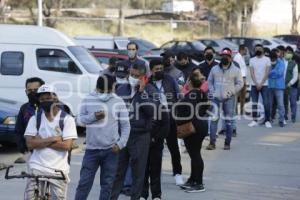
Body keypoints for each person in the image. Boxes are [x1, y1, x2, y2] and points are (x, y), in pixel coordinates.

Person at [75, 74, 130, 200]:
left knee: (107, 185)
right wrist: (94, 117)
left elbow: (126, 125)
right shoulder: (88, 99)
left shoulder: (118, 101)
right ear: (97, 88)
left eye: (108, 91)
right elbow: (78, 120)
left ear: (113, 89)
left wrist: (121, 144)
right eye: (102, 91)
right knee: (84, 183)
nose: (105, 93)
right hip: (91, 150)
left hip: (111, 151)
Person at [111, 63, 158, 200]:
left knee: (138, 173)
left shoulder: (151, 91)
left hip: (140, 136)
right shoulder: (121, 89)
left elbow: (152, 111)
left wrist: (142, 93)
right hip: (122, 135)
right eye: (131, 75)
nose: (133, 78)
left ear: (144, 77)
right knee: (118, 172)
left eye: (137, 76)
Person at [24, 84, 77, 199]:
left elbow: (67, 146)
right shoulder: (35, 119)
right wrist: (53, 138)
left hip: (59, 170)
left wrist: (39, 141)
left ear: (55, 98)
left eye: (48, 98)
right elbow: (29, 144)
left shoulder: (67, 119)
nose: (45, 101)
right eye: (42, 99)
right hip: (36, 167)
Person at [141, 58, 170, 200]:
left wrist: (156, 138)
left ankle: (156, 195)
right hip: (144, 139)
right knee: (143, 169)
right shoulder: (145, 88)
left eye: (161, 68)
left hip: (156, 140)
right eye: (156, 69)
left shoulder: (162, 108)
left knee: (156, 169)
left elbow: (166, 125)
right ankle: (143, 194)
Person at [175, 70, 210, 192]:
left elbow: (187, 113)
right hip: (201, 125)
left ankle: (199, 183)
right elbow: (206, 106)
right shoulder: (201, 93)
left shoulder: (190, 95)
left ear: (189, 82)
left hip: (193, 127)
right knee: (194, 154)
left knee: (195, 155)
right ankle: (192, 179)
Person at [206, 48, 243, 150]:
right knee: (214, 120)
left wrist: (231, 92)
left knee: (228, 121)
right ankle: (212, 143)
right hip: (216, 98)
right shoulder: (214, 69)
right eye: (223, 56)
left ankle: (227, 143)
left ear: (230, 58)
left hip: (229, 98)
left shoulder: (236, 70)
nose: (224, 58)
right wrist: (212, 91)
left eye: (227, 56)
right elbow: (209, 81)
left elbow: (240, 83)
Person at [14, 77, 45, 164]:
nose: (32, 93)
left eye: (35, 90)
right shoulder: (24, 108)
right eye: (29, 90)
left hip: (50, 152)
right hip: (31, 153)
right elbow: (18, 130)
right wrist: (23, 149)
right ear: (26, 92)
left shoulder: (50, 106)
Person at [248, 44, 272, 128]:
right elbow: (251, 72)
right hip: (254, 85)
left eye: (259, 49)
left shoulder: (267, 59)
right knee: (254, 103)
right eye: (256, 49)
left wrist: (261, 83)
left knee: (266, 103)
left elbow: (267, 72)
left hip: (264, 84)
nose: (258, 50)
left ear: (263, 50)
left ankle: (267, 120)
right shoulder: (252, 60)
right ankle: (254, 120)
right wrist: (256, 83)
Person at [268, 49, 286, 127]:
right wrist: (272, 72)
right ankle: (269, 119)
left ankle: (281, 120)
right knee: (269, 104)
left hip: (279, 86)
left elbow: (280, 73)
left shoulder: (281, 62)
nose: (272, 60)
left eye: (273, 59)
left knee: (280, 104)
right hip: (270, 85)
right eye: (271, 59)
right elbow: (266, 73)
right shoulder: (268, 62)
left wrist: (271, 72)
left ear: (276, 58)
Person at [284, 46, 299, 123]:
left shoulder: (294, 64)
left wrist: (290, 83)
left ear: (292, 54)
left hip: (293, 85)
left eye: (289, 53)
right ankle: (285, 115)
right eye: (286, 52)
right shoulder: (282, 62)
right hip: (284, 86)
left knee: (293, 101)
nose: (287, 54)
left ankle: (293, 115)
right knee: (285, 101)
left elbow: (296, 76)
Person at [234, 44, 248, 115]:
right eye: (245, 50)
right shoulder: (237, 57)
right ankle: (236, 111)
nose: (247, 51)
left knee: (243, 96)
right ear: (242, 50)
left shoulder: (242, 57)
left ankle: (242, 111)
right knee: (237, 96)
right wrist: (242, 79)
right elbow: (237, 69)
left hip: (243, 78)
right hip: (240, 79)